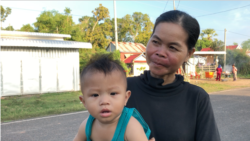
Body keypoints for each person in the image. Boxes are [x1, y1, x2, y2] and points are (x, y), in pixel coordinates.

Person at [126, 10, 221, 141]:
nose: (160, 52)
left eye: (172, 48)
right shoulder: (121, 89)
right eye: (156, 42)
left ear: (188, 54)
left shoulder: (197, 98)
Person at [73, 53, 151, 141]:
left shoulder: (130, 127)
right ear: (84, 102)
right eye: (95, 95)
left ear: (126, 98)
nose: (104, 101)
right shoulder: (87, 126)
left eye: (113, 93)